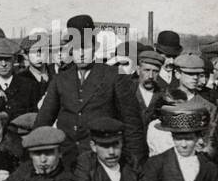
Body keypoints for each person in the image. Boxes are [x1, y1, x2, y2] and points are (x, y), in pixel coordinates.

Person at [34, 15, 145, 165]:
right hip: (66, 160)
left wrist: (134, 165)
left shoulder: (113, 76)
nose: (80, 53)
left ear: (95, 47)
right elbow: (43, 122)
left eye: (85, 47)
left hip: (101, 161)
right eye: (76, 47)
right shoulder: (61, 79)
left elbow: (132, 125)